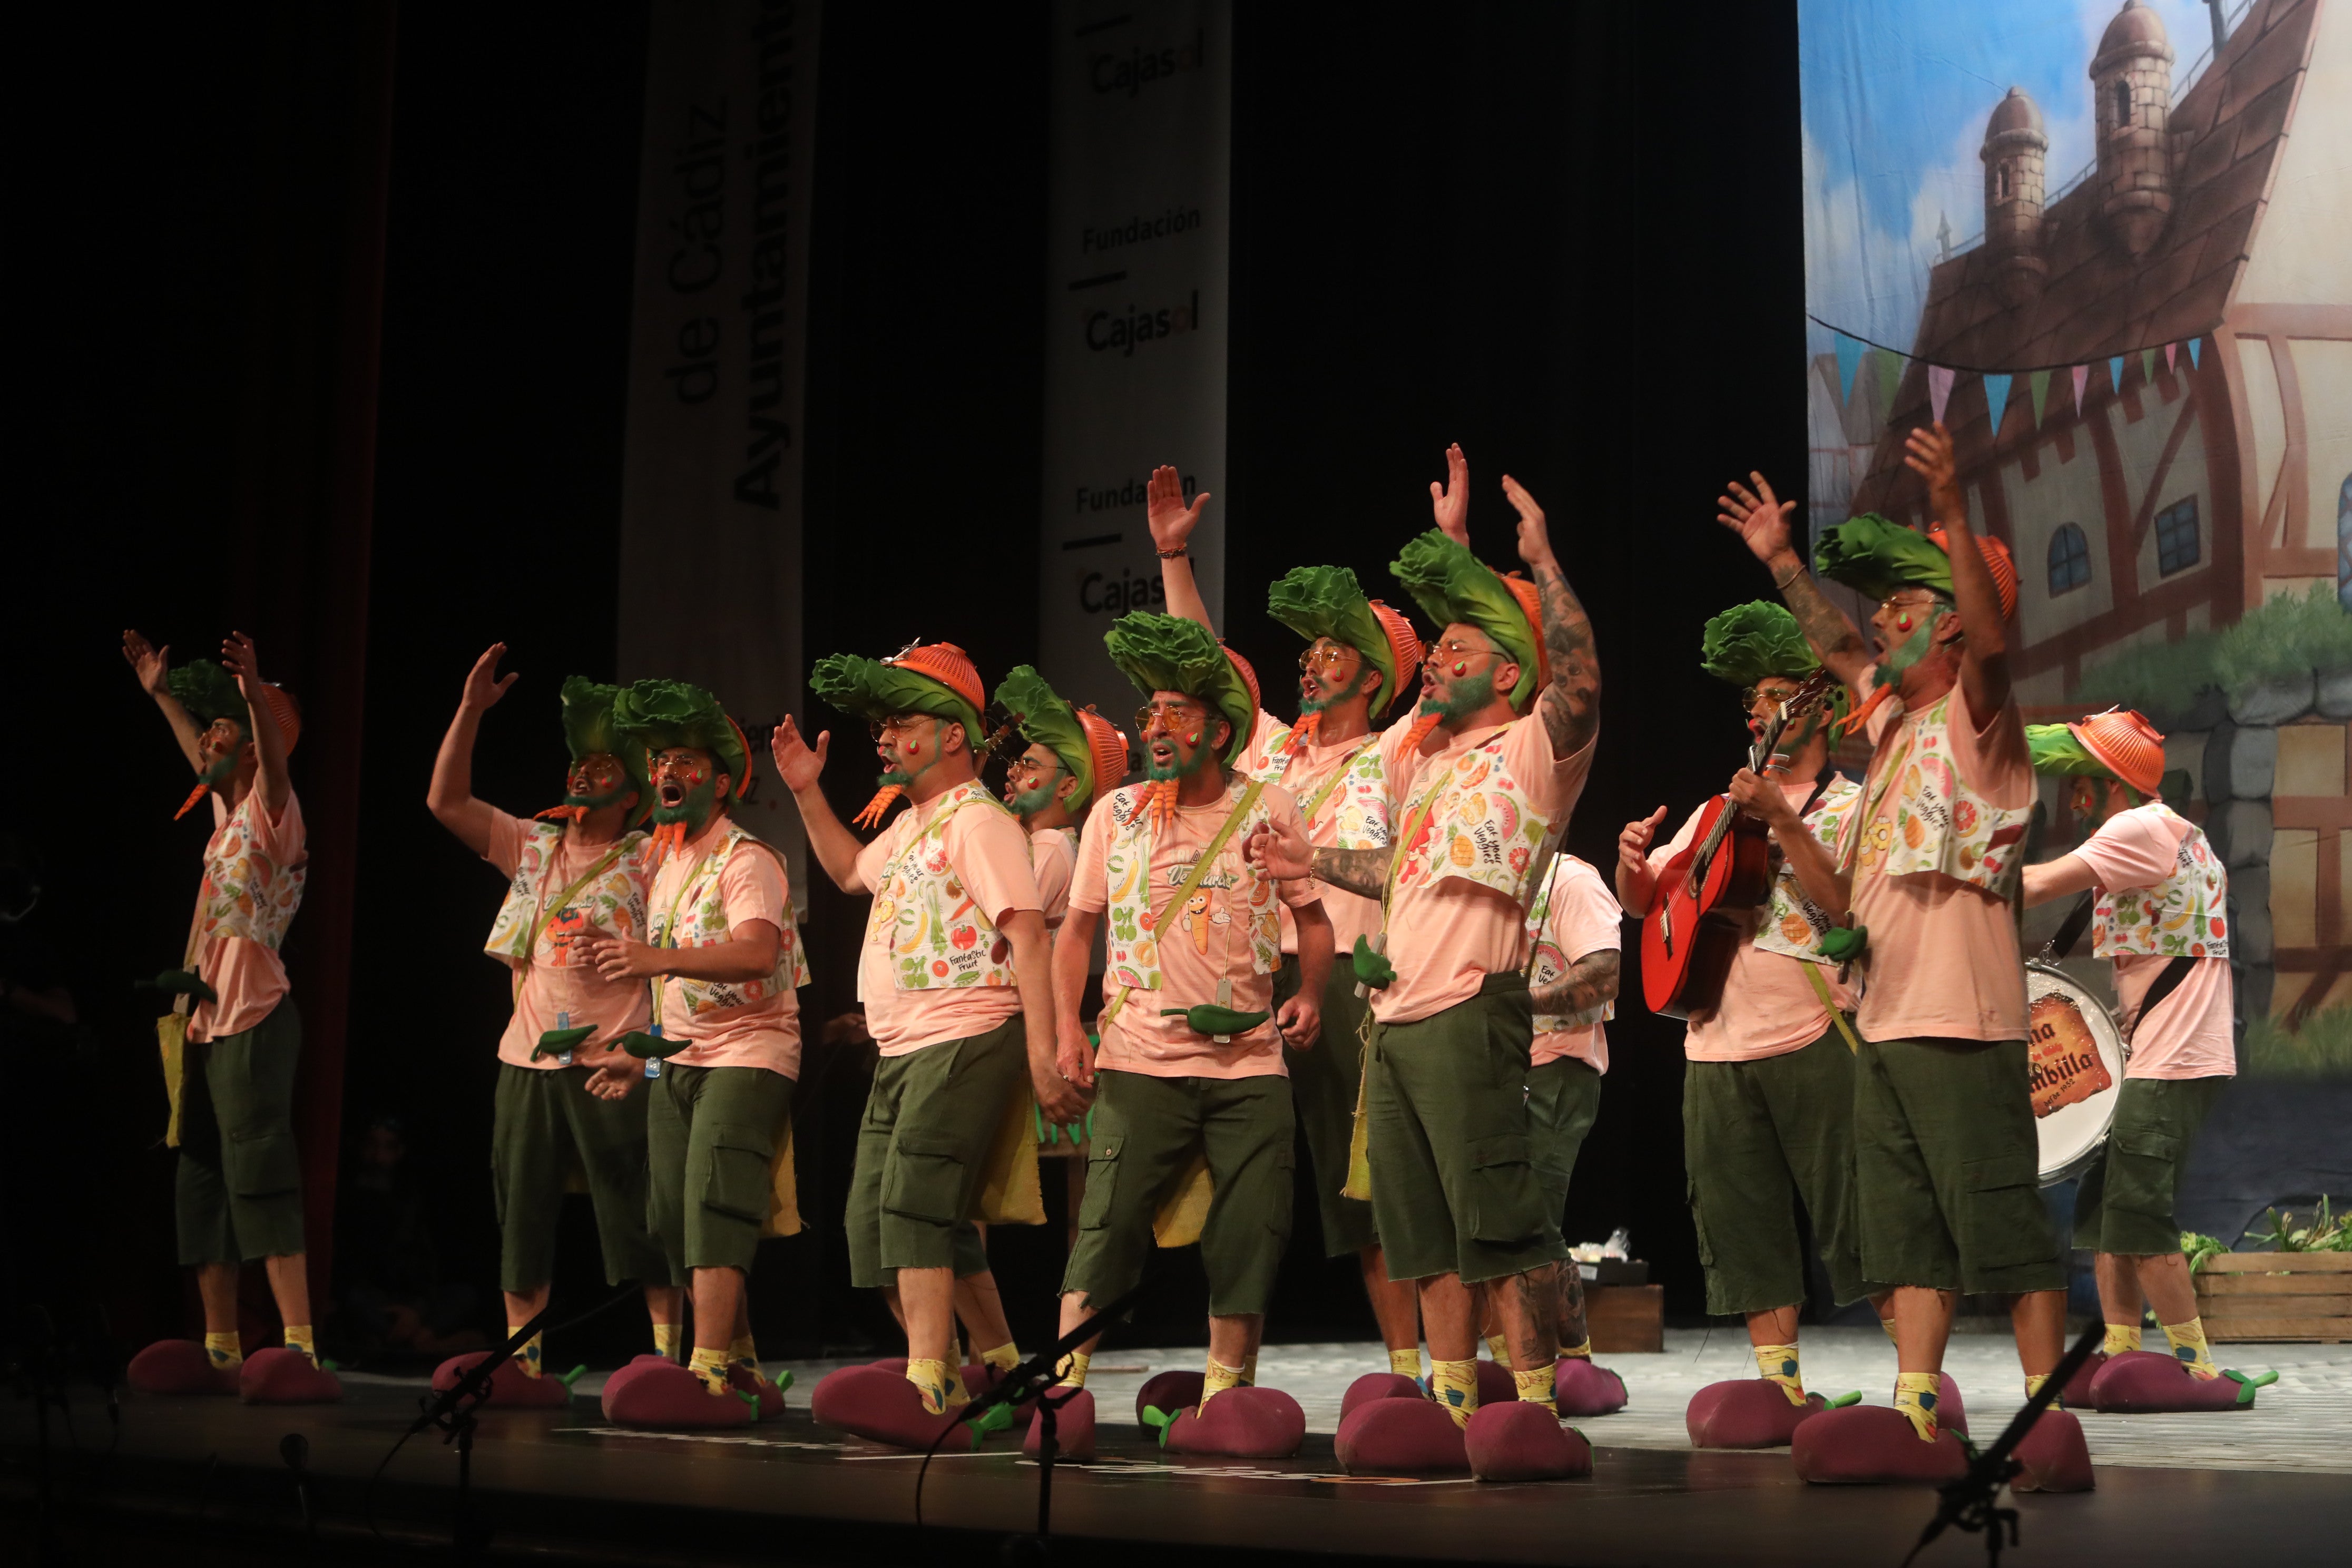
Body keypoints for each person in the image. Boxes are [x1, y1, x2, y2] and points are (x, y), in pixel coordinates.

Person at [1717, 428, 2086, 1484]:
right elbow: (1834, 650)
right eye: (1882, 616)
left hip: (1963, 1022)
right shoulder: (1888, 736)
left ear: (1955, 630)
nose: (1879, 630)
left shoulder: (1981, 724)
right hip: (1882, 1021)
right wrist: (1782, 562)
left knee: (2002, 1223)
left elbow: (1994, 642)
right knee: (1905, 1231)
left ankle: (2038, 1412)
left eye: (1903, 614)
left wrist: (1957, 512)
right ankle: (1918, 1407)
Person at [1250, 444, 1601, 1453]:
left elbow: (1574, 677)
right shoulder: (1422, 760)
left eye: (1459, 651)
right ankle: (1453, 1400)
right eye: (1433, 649)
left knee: (1494, 1223)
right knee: (1423, 1234)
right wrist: (1311, 855)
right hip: (1394, 1020)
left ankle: (1531, 1408)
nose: (1437, 661)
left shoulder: (1532, 751)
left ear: (1505, 670)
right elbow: (1395, 868)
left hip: (1468, 1007)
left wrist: (1537, 565)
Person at [1141, 464, 1426, 1378]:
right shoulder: (1276, 753)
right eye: (1304, 652)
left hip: (1354, 977)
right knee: (1254, 1177)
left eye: (1331, 650)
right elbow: (1203, 667)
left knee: (1372, 1186)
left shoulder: (1393, 752)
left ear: (1375, 674)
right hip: (1261, 981)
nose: (1308, 661)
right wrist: (1173, 556)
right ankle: (1236, 1372)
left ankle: (1414, 1369)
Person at [1046, 610, 1333, 1447]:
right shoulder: (1117, 815)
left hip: (1248, 1063)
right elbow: (1076, 930)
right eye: (1149, 716)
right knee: (1107, 1227)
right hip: (1139, 1057)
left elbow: (1311, 920)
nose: (1157, 729)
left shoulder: (1270, 804)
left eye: (1175, 714)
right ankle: (1064, 1387)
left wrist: (1311, 993)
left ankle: (1225, 1394)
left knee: (1252, 1229)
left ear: (1218, 728)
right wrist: (1068, 1025)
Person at [775, 642, 1077, 1436]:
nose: (883, 738)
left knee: (915, 1206)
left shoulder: (979, 822)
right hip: (903, 1045)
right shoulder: (916, 825)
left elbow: (1029, 936)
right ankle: (1006, 1370)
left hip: (967, 1032)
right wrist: (808, 793)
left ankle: (932, 1385)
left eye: (900, 723)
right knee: (883, 1220)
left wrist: (1045, 1059)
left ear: (953, 735)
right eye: (880, 726)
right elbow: (847, 873)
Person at [1614, 602, 1870, 1419]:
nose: (1757, 712)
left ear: (1816, 705)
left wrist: (1786, 819)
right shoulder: (1712, 812)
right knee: (1744, 1226)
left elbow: (1850, 909)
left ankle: (1917, 1389)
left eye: (1773, 696)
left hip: (1815, 1038)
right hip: (1716, 1048)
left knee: (1860, 1217)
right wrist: (1628, 865)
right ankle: (1780, 1389)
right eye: (1750, 701)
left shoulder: (1855, 805)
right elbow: (1647, 903)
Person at [424, 646, 682, 1387]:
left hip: (617, 1058)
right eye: (578, 768)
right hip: (528, 1057)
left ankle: (669, 1358)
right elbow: (445, 802)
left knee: (640, 1212)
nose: (581, 777)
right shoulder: (533, 846)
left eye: (602, 772)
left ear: (630, 795)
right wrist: (472, 708)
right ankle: (524, 1360)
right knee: (523, 1213)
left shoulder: (648, 858)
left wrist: (651, 1050)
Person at [581, 679, 808, 1420]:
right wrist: (637, 1056)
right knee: (675, 1217)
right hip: (680, 1058)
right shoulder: (668, 861)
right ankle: (740, 1367)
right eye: (658, 763)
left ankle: (706, 1372)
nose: (665, 775)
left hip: (750, 1053)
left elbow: (752, 954)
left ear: (718, 779)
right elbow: (678, 1005)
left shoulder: (749, 860)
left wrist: (656, 961)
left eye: (683, 762)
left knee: (715, 1204)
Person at [120, 630, 336, 1400]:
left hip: (256, 1014)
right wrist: (163, 696)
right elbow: (202, 759)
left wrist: (252, 699)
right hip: (205, 1021)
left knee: (261, 1171)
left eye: (224, 733)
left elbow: (270, 765)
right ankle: (219, 1346)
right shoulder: (226, 814)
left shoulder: (276, 814)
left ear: (255, 748)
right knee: (203, 1174)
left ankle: (299, 1344)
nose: (207, 742)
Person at [2021, 709, 2252, 1397]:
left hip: (2169, 1059)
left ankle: (2199, 1367)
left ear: (2104, 782)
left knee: (2142, 1220)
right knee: (2107, 1209)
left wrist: (1949, 870)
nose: (2073, 796)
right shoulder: (2182, 834)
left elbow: (2029, 887)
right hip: (2177, 1053)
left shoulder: (2133, 829)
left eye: (2080, 780)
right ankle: (2121, 1350)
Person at [1501, 849, 1621, 1396]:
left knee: (1533, 1222)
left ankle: (1552, 1371)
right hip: (1494, 1068)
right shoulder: (1487, 878)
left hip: (1557, 1068)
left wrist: (1511, 1004)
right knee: (1517, 1224)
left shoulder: (1570, 879)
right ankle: (1570, 1358)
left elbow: (1602, 976)